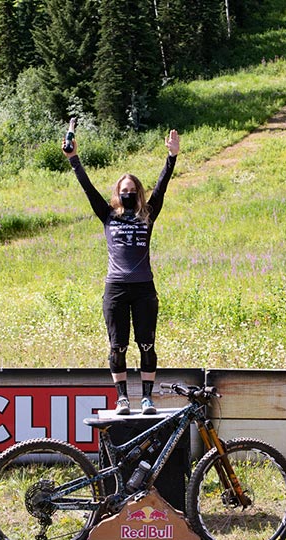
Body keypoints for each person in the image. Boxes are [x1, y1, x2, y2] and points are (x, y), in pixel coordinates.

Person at [64, 130, 180, 415]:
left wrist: (171, 157)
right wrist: (74, 159)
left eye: (132, 190)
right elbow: (89, 189)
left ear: (138, 193)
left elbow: (162, 188)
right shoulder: (107, 215)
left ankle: (147, 398)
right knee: (118, 347)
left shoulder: (148, 214)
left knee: (147, 344)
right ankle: (122, 399)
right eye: (123, 191)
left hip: (144, 289)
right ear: (118, 194)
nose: (127, 194)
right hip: (115, 288)